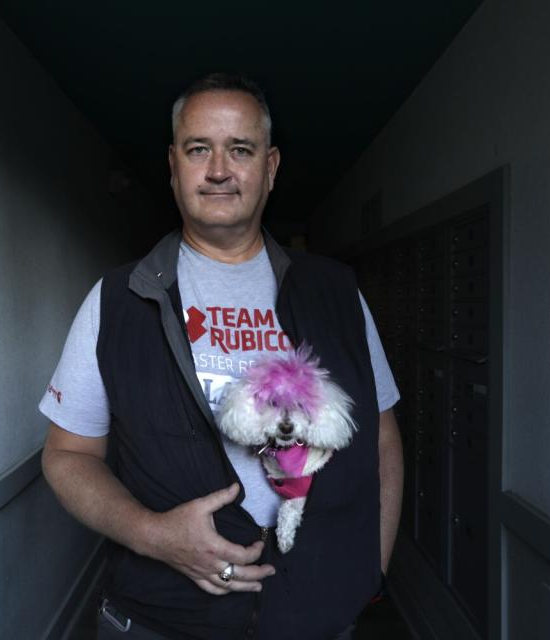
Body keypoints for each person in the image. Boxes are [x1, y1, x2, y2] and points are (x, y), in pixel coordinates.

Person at [39, 73, 404, 640]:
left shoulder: (336, 294)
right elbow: (66, 455)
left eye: (240, 149)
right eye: (197, 149)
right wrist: (150, 534)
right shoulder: (118, 299)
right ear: (172, 164)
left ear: (271, 166)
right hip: (159, 621)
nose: (217, 170)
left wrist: (366, 572)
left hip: (312, 619)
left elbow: (381, 439)